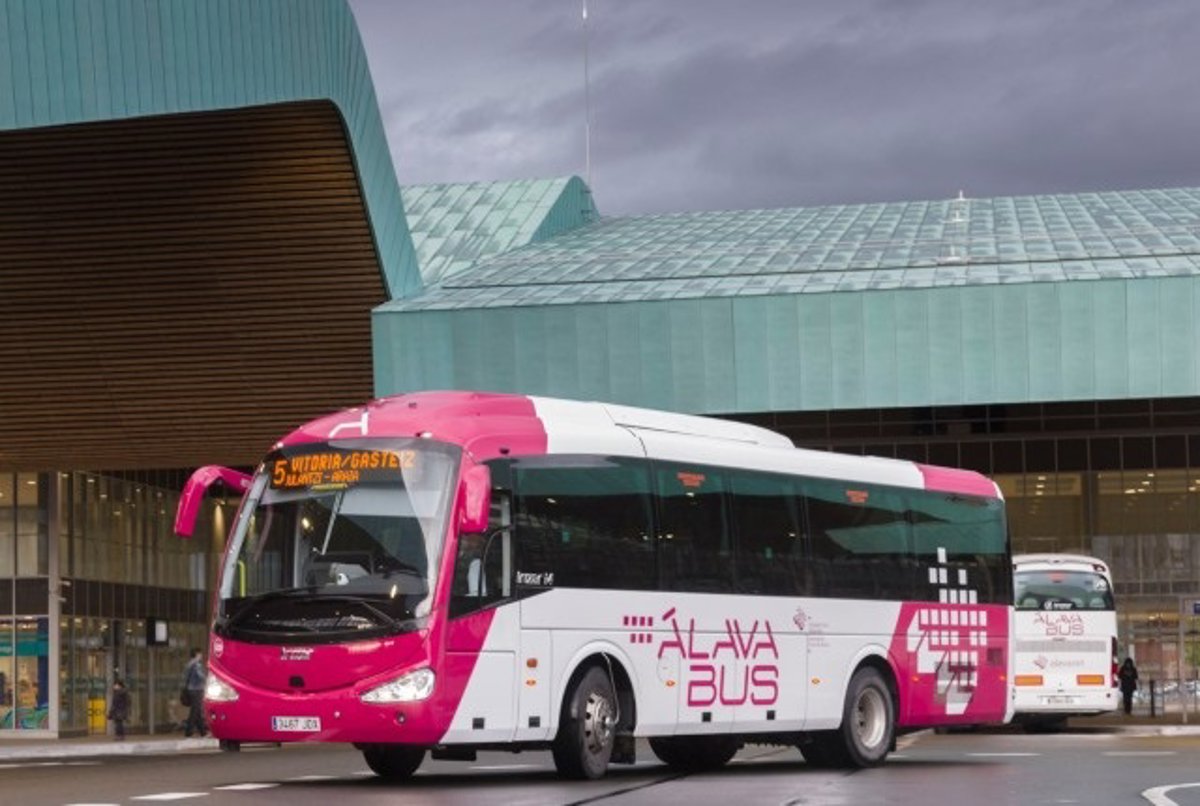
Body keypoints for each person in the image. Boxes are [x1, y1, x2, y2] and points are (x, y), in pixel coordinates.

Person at [182, 648, 207, 737]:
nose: (201, 656)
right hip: (197, 689)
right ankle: (188, 731)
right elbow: (200, 676)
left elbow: (185, 676)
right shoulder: (197, 665)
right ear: (197, 654)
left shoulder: (189, 664)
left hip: (190, 689)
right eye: (200, 654)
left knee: (197, 711)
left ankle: (203, 732)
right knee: (195, 711)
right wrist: (207, 679)